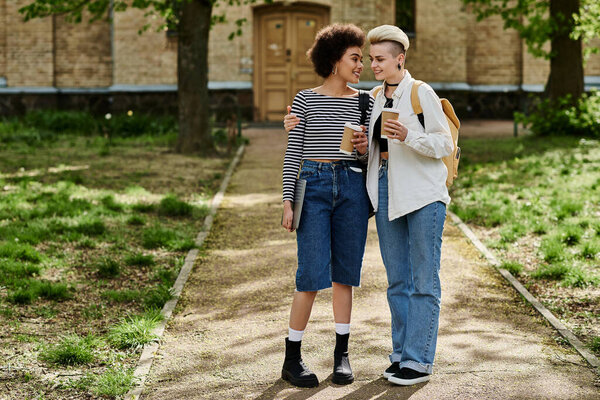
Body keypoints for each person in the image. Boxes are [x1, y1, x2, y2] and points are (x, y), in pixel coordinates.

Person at [284, 25, 453, 386]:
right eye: (364, 58)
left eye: (376, 59)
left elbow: (441, 145)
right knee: (392, 280)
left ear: (399, 59)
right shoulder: (372, 98)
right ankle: (397, 355)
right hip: (372, 189)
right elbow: (334, 148)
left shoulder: (409, 94)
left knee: (416, 279)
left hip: (407, 192)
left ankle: (415, 360)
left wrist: (404, 138)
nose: (370, 65)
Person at [280, 23, 373, 388]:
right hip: (313, 187)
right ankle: (292, 358)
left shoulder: (366, 101)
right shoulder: (305, 99)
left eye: (362, 58)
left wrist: (365, 151)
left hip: (351, 188)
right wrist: (288, 200)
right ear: (335, 61)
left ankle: (342, 356)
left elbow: (370, 160)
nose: (361, 64)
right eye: (355, 57)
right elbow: (294, 155)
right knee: (310, 275)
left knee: (344, 275)